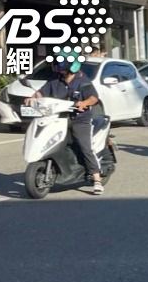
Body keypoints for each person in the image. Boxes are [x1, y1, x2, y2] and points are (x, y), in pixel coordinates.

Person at [26, 57, 104, 194]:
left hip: (80, 120)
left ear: (72, 67)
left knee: (84, 146)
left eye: (62, 68)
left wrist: (84, 103)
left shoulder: (83, 81)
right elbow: (41, 92)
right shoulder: (55, 80)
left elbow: (93, 98)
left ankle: (97, 179)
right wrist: (32, 97)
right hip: (58, 118)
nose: (60, 70)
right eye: (59, 67)